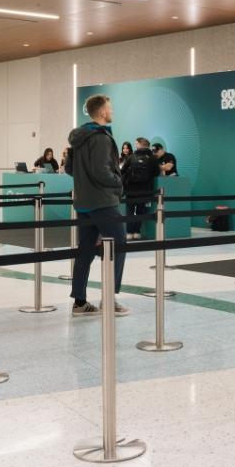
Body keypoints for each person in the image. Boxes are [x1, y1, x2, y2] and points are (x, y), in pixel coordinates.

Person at [66, 94, 129, 317]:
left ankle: (80, 302)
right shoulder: (101, 137)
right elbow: (102, 171)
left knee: (85, 252)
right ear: (102, 112)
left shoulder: (78, 138)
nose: (112, 111)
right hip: (103, 202)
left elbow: (68, 169)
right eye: (110, 108)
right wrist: (119, 183)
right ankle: (109, 299)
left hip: (83, 204)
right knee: (118, 245)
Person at [122, 137, 159, 239]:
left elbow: (123, 170)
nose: (135, 145)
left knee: (129, 211)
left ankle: (129, 233)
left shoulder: (131, 157)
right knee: (140, 211)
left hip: (130, 189)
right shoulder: (153, 158)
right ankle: (137, 232)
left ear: (139, 144)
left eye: (136, 143)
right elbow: (157, 172)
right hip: (145, 189)